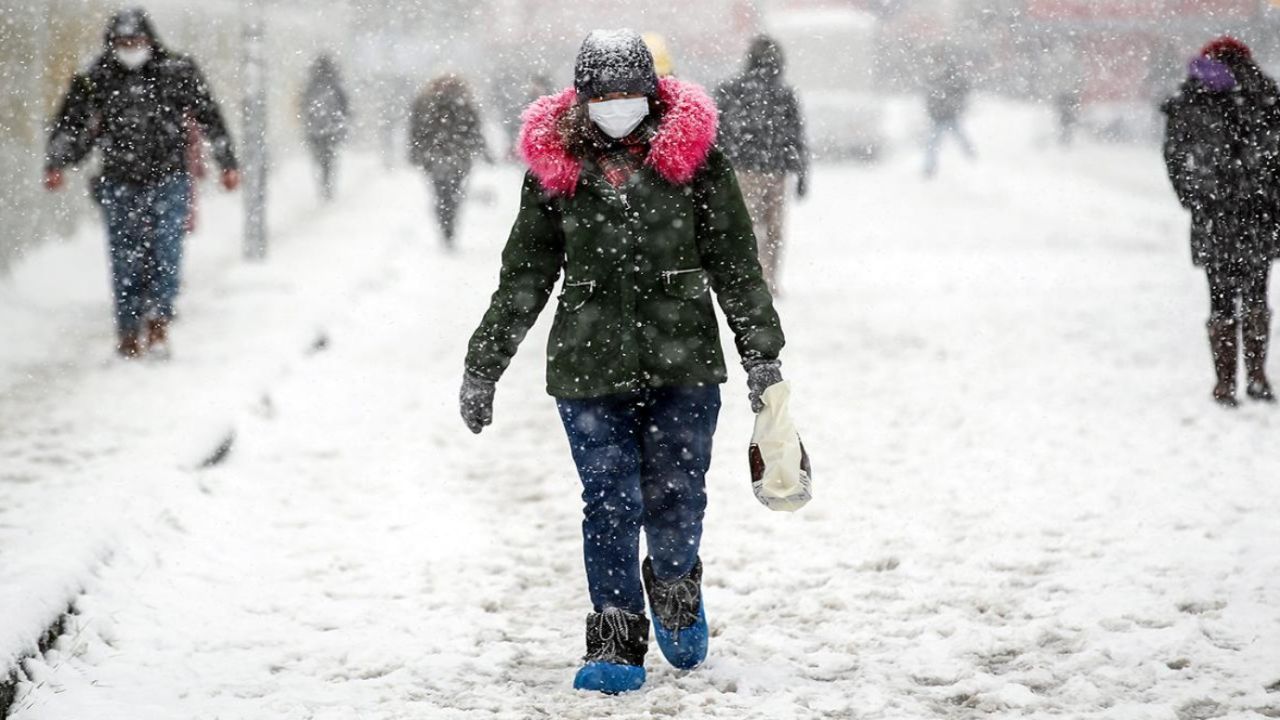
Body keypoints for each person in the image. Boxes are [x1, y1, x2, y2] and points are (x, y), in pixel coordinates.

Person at [459, 29, 786, 694]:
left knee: (676, 500)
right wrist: (482, 364)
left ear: (652, 93)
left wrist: (763, 359)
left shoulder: (697, 164)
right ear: (583, 98)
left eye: (629, 93)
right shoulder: (556, 172)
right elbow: (524, 275)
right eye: (603, 95)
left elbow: (736, 265)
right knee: (608, 501)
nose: (617, 104)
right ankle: (613, 638)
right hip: (587, 368)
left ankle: (674, 585)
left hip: (684, 365)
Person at [43, 7, 239, 359]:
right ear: (112, 44)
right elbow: (69, 124)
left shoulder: (176, 71)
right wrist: (57, 162)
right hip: (119, 181)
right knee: (125, 257)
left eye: (136, 41)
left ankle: (158, 319)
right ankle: (129, 328)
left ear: (150, 40)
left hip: (169, 177)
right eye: (123, 42)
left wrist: (227, 162)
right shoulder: (95, 77)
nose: (131, 48)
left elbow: (210, 116)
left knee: (166, 251)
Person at [1162, 36, 1279, 406]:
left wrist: (1194, 197)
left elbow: (1175, 156)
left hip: (1215, 214)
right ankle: (1256, 375)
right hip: (1259, 212)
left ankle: (1225, 382)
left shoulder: (1192, 100)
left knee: (1221, 298)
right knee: (1257, 293)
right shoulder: (1266, 97)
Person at [714, 35, 808, 296]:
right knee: (774, 230)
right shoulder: (784, 94)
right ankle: (770, 280)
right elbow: (796, 135)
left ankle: (747, 279)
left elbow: (717, 133)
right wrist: (801, 173)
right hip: (776, 172)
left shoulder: (731, 89)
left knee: (745, 228)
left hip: (742, 170)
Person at [408, 75, 488, 249]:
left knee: (442, 194)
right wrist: (483, 150)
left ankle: (446, 224)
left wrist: (415, 152)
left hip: (439, 156)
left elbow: (416, 130)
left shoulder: (426, 102)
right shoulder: (464, 102)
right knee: (451, 194)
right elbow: (475, 130)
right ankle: (448, 224)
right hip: (456, 156)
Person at [300, 54, 350, 202]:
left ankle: (323, 183)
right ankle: (328, 184)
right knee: (330, 157)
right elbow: (344, 105)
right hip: (331, 128)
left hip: (315, 129)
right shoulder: (334, 83)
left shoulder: (312, 84)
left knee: (320, 158)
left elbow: (304, 104)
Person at [922, 46, 976, 178]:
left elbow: (963, 88)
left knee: (936, 142)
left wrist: (954, 103)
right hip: (943, 114)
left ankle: (971, 158)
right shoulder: (941, 77)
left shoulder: (944, 76)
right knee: (937, 142)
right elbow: (931, 97)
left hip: (946, 114)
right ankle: (971, 157)